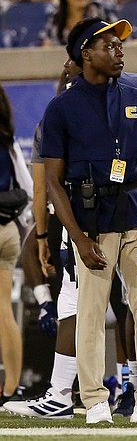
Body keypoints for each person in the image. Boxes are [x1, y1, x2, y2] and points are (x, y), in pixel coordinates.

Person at [41, 17, 137, 425]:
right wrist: (77, 237)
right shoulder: (62, 107)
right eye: (108, 45)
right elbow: (54, 183)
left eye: (119, 45)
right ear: (84, 53)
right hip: (90, 220)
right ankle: (94, 399)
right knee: (91, 313)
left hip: (135, 212)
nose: (119, 51)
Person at [0, 84, 31, 408]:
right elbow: (26, 187)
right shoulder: (7, 140)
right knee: (3, 312)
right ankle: (11, 388)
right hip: (8, 231)